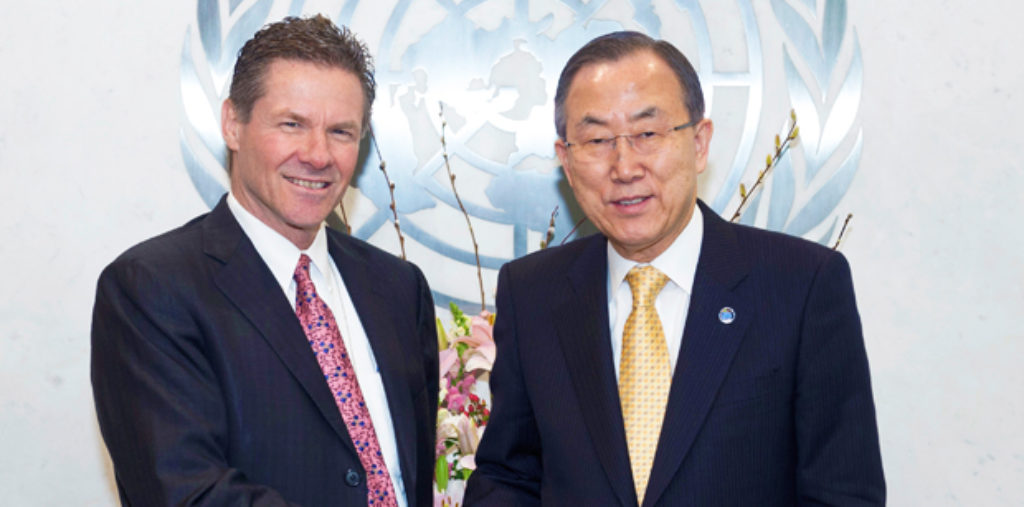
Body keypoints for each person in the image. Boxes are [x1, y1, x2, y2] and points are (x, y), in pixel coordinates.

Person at [464, 31, 885, 506]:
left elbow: (843, 493)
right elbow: (509, 476)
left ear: (699, 143)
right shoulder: (532, 293)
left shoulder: (801, 286)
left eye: (647, 134)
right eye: (597, 140)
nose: (625, 168)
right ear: (565, 159)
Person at [91, 15, 437, 506]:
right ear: (233, 124)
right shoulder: (152, 289)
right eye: (292, 124)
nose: (318, 155)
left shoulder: (399, 287)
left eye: (341, 131)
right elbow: (186, 492)